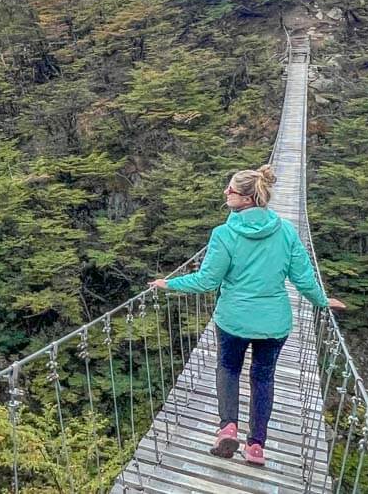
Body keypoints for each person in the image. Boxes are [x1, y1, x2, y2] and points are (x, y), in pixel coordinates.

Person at [148, 164, 345, 467]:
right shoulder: (286, 231)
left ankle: (228, 427)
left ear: (247, 198)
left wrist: (169, 283)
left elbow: (207, 281)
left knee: (228, 369)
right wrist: (321, 300)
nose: (226, 192)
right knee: (263, 378)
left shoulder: (224, 234)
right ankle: (256, 448)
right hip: (274, 322)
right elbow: (303, 277)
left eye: (232, 190)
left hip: (234, 319)